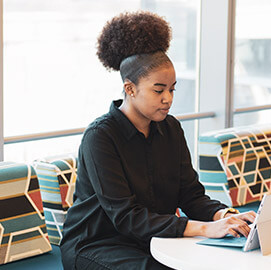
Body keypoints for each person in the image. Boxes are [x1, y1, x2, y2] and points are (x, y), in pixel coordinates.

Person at [60, 11, 256, 270]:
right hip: (97, 245)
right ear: (130, 89)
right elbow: (126, 217)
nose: (168, 99)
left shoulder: (171, 129)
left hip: (152, 239)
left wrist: (226, 216)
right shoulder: (100, 137)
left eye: (172, 89)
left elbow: (191, 195)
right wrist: (205, 229)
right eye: (158, 90)